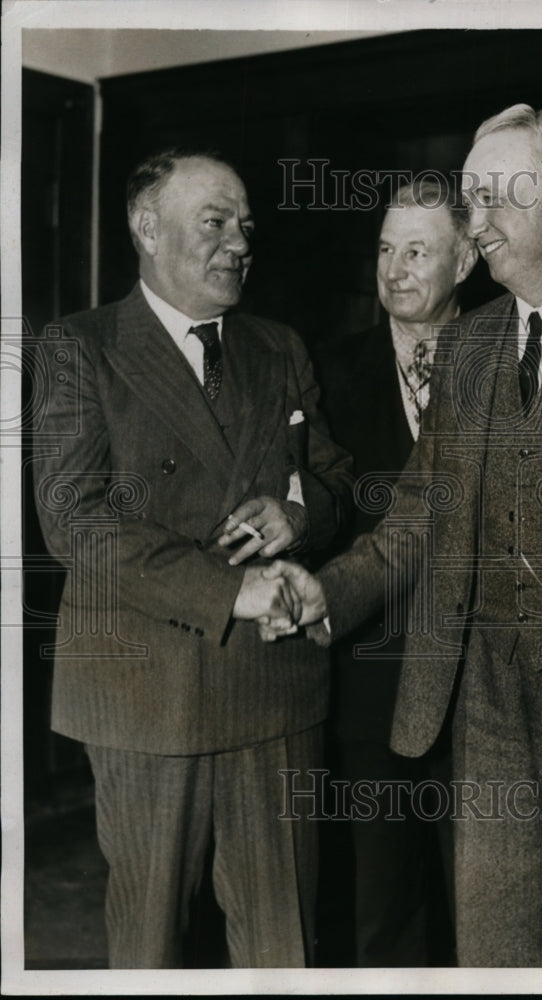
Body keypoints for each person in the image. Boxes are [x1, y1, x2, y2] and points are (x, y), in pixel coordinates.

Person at [251, 105, 542, 966]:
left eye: (493, 193)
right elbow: (418, 512)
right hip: (485, 709)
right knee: (495, 958)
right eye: (469, 197)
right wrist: (332, 590)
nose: (477, 218)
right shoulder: (468, 349)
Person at [32, 148, 353, 969]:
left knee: (286, 944)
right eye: (215, 221)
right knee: (151, 948)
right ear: (147, 227)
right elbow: (75, 519)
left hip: (275, 690)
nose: (239, 242)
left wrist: (295, 515)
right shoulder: (82, 348)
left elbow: (335, 480)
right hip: (146, 692)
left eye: (245, 225)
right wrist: (229, 588)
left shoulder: (277, 346)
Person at [314, 180, 477, 966]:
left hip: (480, 685)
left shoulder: (511, 360)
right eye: (384, 249)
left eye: (417, 250)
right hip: (370, 678)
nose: (394, 269)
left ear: (468, 258)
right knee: (381, 909)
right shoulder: (324, 370)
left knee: (486, 912)